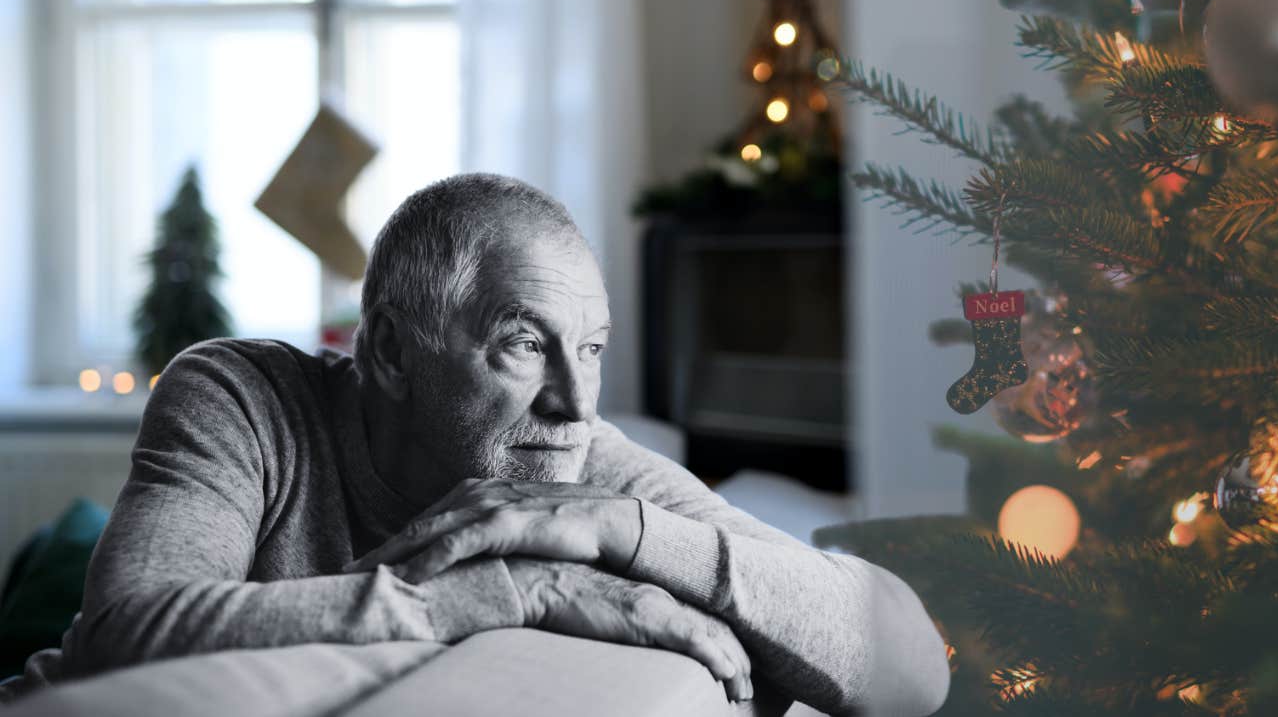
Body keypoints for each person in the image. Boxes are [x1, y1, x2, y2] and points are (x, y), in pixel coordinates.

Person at [0, 174, 950, 715]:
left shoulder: (585, 476)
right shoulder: (240, 393)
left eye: (592, 350)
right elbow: (128, 630)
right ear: (389, 353)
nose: (574, 402)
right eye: (525, 344)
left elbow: (913, 665)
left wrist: (630, 531)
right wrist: (507, 590)